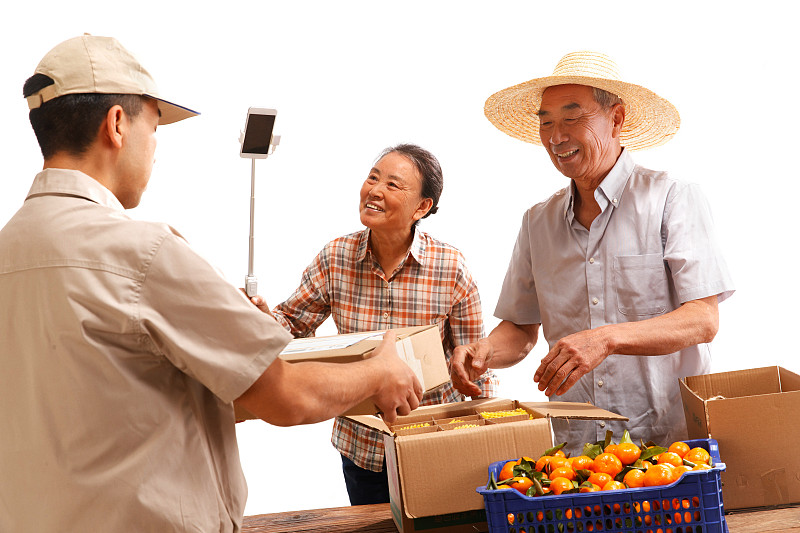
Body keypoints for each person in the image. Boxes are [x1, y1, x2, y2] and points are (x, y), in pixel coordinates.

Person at [0, 34, 422, 532]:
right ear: (117, 124)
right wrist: (379, 371)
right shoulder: (143, 254)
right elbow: (285, 395)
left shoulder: (11, 250)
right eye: (154, 129)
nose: (154, 151)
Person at [450, 51, 734, 451]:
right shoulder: (537, 222)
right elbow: (520, 328)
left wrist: (606, 338)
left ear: (616, 119)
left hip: (670, 449)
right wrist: (484, 352)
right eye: (545, 122)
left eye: (572, 117)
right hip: (576, 453)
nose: (556, 136)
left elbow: (703, 320)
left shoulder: (672, 199)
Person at [250, 143, 498, 505]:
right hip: (361, 443)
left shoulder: (450, 267)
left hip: (430, 440)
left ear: (422, 207)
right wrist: (257, 318)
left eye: (393, 185)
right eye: (372, 178)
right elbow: (290, 323)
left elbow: (475, 359)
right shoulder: (336, 257)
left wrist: (489, 434)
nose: (375, 191)